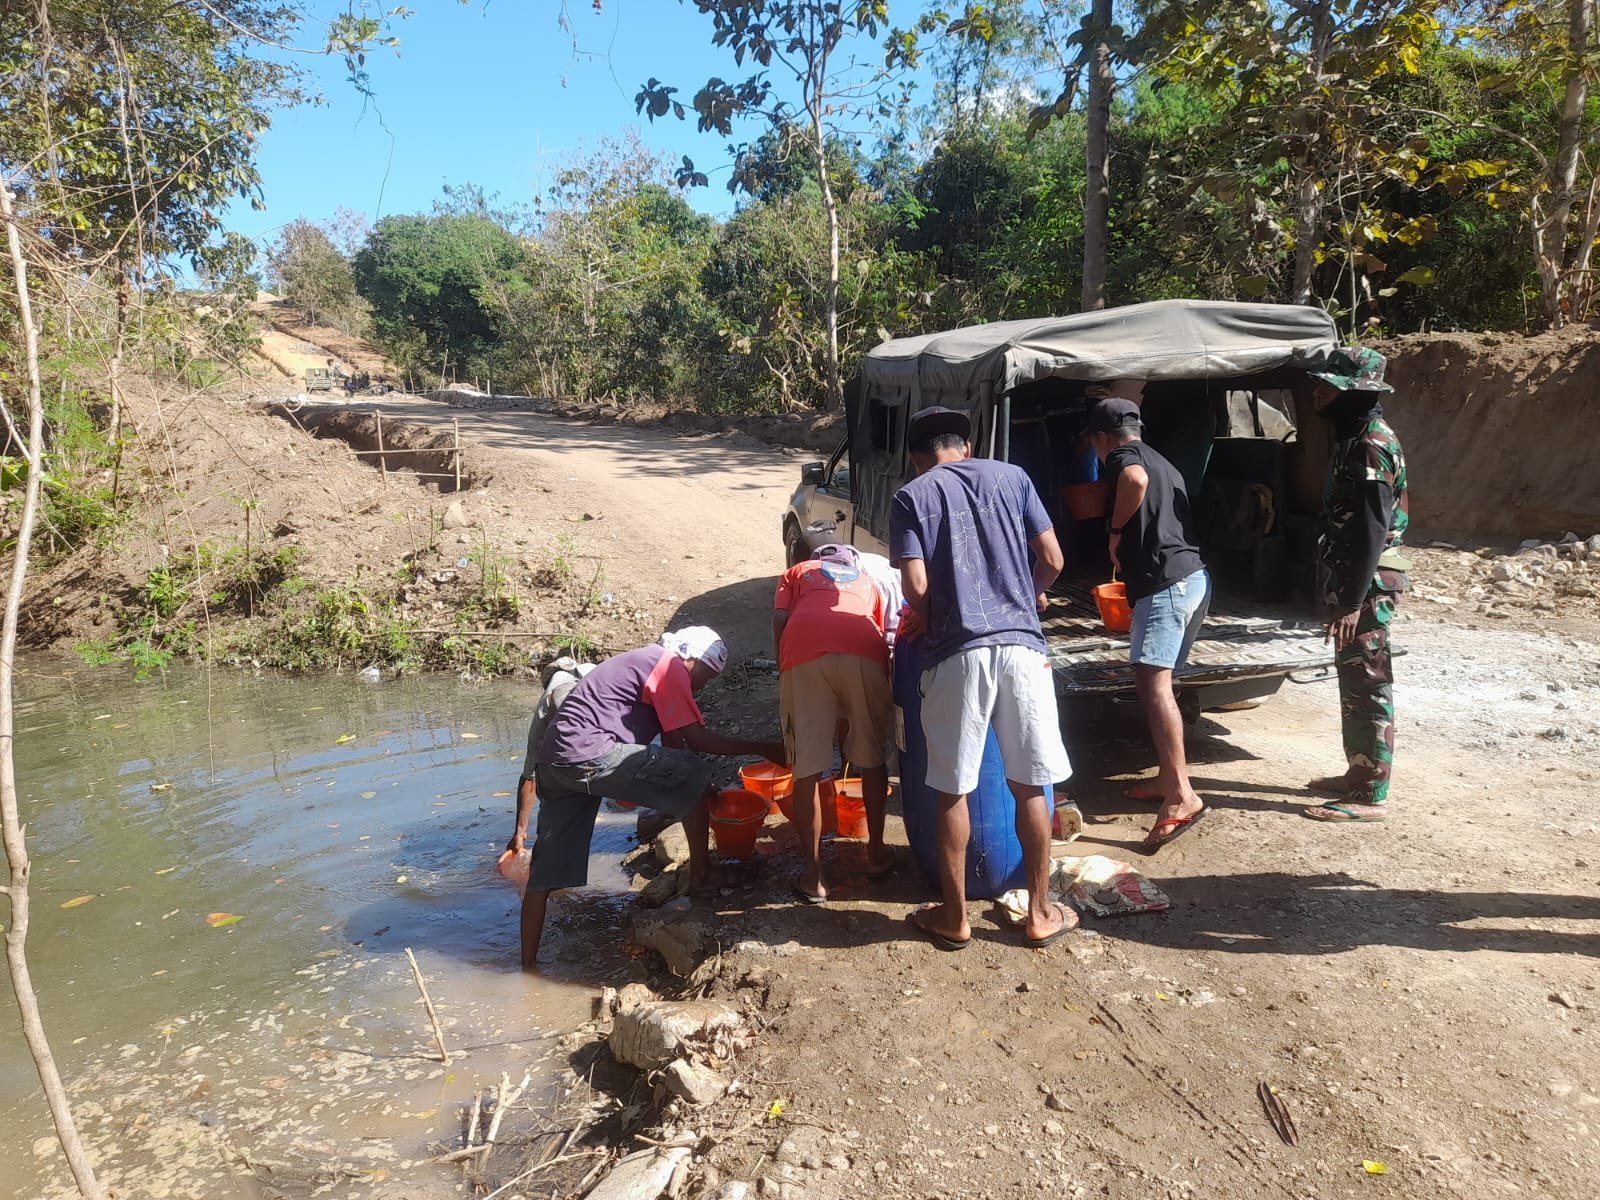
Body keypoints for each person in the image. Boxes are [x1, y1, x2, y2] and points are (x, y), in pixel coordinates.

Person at [889, 406, 1075, 950]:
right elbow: (1054, 559)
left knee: (951, 788)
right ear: (965, 448)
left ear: (919, 458)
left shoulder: (912, 496)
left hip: (957, 653)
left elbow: (915, 584)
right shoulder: (1013, 477)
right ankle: (1040, 913)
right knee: (1030, 785)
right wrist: (1028, 595)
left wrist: (931, 615)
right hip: (1023, 650)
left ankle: (954, 918)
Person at [520, 627, 784, 969]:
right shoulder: (669, 666)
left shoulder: (646, 664)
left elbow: (675, 748)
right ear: (690, 657)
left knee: (544, 876)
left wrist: (699, 790)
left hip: (556, 765)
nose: (700, 687)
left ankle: (526, 969)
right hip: (590, 755)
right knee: (697, 771)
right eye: (703, 677)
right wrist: (764, 748)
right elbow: (697, 743)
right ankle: (701, 876)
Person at [1086, 397, 1214, 851]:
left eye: (1095, 445)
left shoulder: (1126, 459)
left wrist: (1116, 531)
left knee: (1152, 683)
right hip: (1194, 578)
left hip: (1167, 586)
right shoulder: (1163, 460)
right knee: (1162, 680)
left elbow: (1133, 481)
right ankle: (1166, 778)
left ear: (1103, 439)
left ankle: (1181, 794)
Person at [1303, 347, 1410, 823]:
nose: (1317, 391)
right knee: (1354, 681)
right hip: (1355, 582)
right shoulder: (1354, 437)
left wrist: (1349, 600)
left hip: (1365, 586)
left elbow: (1371, 527)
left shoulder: (1370, 443)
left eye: (1330, 384)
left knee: (1368, 681)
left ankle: (1369, 794)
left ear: (1357, 390)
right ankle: (1359, 771)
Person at [773, 543, 897, 902]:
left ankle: (814, 879)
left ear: (817, 560)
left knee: (807, 770)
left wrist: (784, 671)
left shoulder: (796, 573)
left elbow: (781, 619)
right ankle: (876, 853)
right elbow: (872, 634)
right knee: (871, 758)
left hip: (802, 651)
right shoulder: (866, 581)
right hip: (865, 650)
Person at [503, 657, 595, 868]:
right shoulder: (545, 711)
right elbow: (530, 775)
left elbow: (530, 775)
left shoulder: (594, 695)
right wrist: (520, 832)